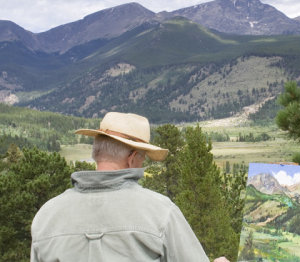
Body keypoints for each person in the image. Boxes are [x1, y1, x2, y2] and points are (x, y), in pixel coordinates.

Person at [30, 112, 230, 262]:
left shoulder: (46, 216)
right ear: (133, 158)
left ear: (97, 153)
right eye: (143, 157)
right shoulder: (161, 212)